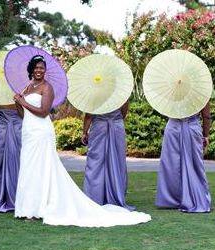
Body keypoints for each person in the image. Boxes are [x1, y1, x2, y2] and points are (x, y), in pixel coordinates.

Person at [13, 55, 151, 227]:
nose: (39, 70)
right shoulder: (27, 87)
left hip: (41, 131)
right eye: (36, 67)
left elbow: (43, 112)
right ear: (31, 69)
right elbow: (22, 114)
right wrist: (19, 102)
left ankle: (42, 206)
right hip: (28, 131)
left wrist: (23, 103)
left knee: (43, 166)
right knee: (29, 166)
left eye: (42, 67)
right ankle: (27, 207)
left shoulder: (47, 87)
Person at [156, 103, 212, 213]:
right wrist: (206, 135)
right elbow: (206, 116)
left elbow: (165, 108)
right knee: (195, 164)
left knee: (172, 164)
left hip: (172, 128)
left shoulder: (171, 91)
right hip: (192, 129)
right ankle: (197, 197)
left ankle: (172, 199)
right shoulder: (200, 92)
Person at [82, 103, 135, 210]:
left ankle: (93, 197)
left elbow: (89, 115)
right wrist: (115, 118)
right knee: (117, 162)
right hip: (116, 126)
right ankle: (116, 195)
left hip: (99, 127)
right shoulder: (120, 93)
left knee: (95, 163)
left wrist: (84, 132)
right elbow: (124, 112)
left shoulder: (96, 93)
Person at [0, 104, 23, 212]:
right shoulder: (18, 92)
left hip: (11, 128)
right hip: (7, 128)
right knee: (4, 162)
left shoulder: (19, 93)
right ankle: (6, 196)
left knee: (9, 162)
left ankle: (4, 198)